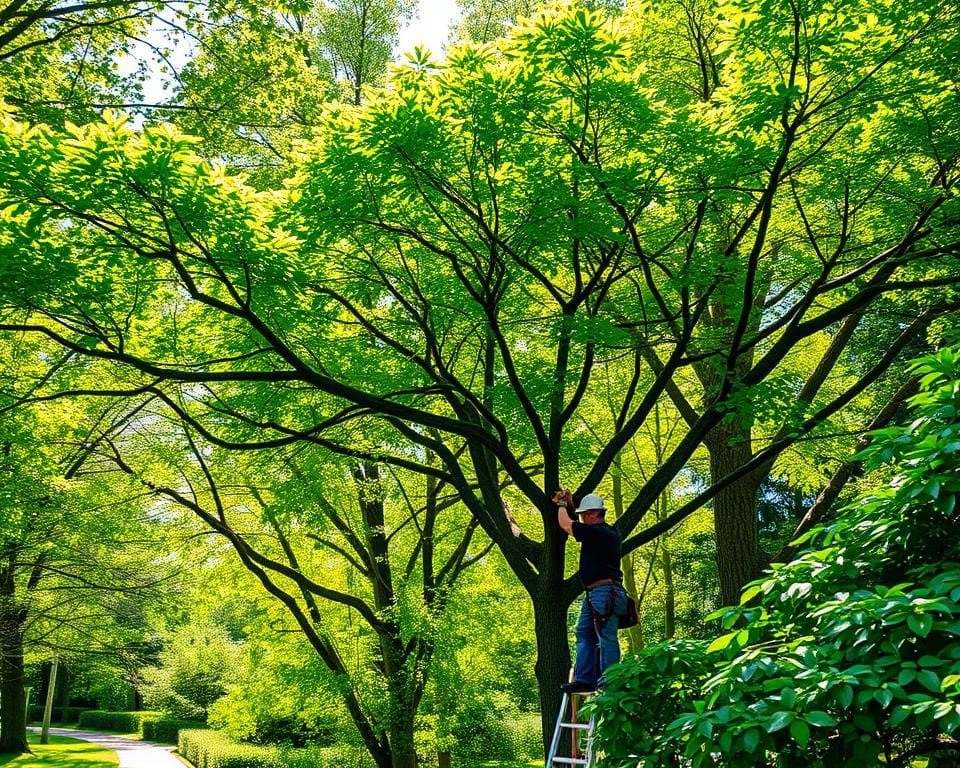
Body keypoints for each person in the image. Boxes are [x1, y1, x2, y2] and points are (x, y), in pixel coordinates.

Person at [555, 490, 628, 693]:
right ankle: (585, 679)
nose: (582, 518)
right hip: (596, 593)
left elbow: (566, 524)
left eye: (585, 514)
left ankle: (609, 682)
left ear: (594, 513)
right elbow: (575, 521)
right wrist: (571, 502)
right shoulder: (606, 533)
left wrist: (561, 505)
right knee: (584, 632)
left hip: (605, 592)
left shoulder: (598, 532)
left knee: (606, 636)